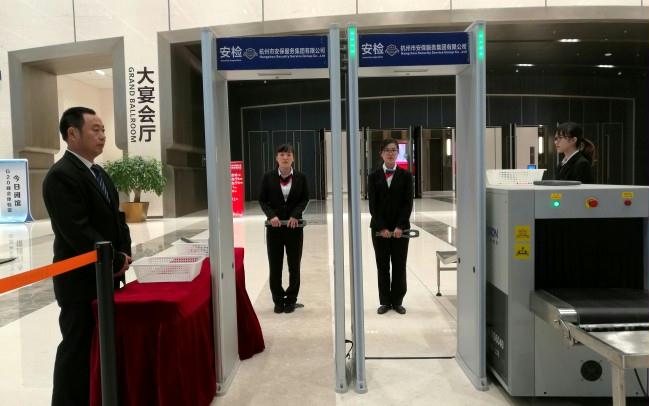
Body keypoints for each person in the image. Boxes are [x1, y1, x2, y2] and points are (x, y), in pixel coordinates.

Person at [43, 106, 132, 406]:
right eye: (95, 129)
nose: (102, 135)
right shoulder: (60, 176)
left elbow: (117, 219)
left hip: (105, 274)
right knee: (77, 348)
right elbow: (77, 231)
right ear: (72, 133)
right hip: (79, 282)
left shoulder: (99, 173)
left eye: (103, 129)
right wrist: (113, 260)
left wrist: (123, 253)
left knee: (100, 347)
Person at [259, 144, 309, 314]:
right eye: (281, 154)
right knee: (275, 266)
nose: (285, 157)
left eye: (288, 154)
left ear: (293, 158)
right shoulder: (268, 177)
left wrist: (295, 215)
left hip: (294, 228)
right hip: (274, 229)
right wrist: (271, 216)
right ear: (277, 158)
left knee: (294, 266)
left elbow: (304, 199)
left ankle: (291, 299)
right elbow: (262, 200)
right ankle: (278, 300)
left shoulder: (301, 177)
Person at [368, 138, 414, 315]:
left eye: (394, 150)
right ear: (381, 153)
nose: (390, 153)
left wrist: (400, 227)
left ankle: (397, 301)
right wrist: (382, 228)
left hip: (400, 230)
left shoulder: (406, 176)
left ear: (398, 153)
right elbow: (373, 205)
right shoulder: (373, 177)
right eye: (387, 150)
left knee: (399, 265)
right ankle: (385, 302)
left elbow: (407, 203)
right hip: (380, 230)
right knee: (382, 266)